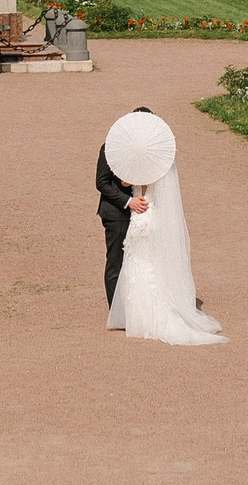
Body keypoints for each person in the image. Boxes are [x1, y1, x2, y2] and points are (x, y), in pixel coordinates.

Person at [101, 110, 226, 346]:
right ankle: (130, 313)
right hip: (135, 212)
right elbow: (108, 182)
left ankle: (139, 316)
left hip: (142, 213)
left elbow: (134, 183)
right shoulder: (137, 152)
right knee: (133, 263)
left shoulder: (149, 157)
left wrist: (131, 188)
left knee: (139, 263)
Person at [94, 109, 150, 306]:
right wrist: (127, 200)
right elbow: (102, 183)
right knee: (116, 262)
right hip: (117, 214)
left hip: (143, 214)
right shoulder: (110, 147)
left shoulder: (150, 150)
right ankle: (116, 311)